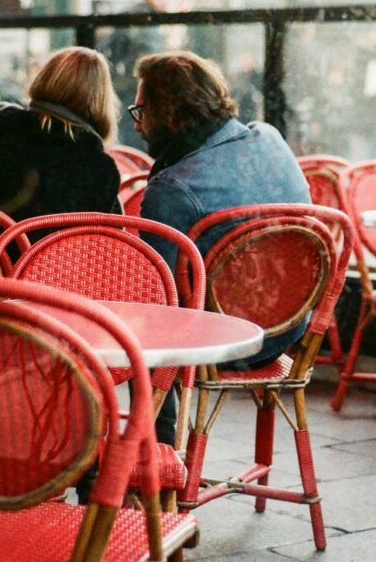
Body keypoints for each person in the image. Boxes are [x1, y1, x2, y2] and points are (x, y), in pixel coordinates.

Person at [132, 51, 311, 444]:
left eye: (142, 110)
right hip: (291, 328)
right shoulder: (270, 138)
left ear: (169, 113)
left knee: (142, 332)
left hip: (226, 344)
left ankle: (151, 464)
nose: (138, 125)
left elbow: (153, 293)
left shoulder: (174, 187)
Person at [0, 46, 122, 221]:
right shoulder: (101, 167)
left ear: (45, 77)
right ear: (102, 99)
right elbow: (108, 241)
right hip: (55, 249)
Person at [101, 0, 174, 149]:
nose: (166, 2)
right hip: (135, 85)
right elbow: (152, 56)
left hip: (127, 84)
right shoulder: (144, 20)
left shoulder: (137, 17)